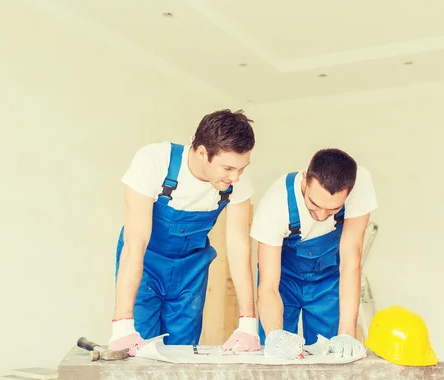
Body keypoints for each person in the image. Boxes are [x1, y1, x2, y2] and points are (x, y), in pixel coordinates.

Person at [108, 109, 261, 356]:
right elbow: (135, 243)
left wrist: (248, 324)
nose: (236, 176)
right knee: (141, 352)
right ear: (202, 152)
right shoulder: (155, 162)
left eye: (242, 168)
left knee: (182, 352)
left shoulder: (237, 181)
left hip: (190, 272)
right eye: (228, 168)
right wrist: (122, 325)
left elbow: (239, 248)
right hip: (147, 266)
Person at [251, 148, 378, 359]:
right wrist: (274, 335)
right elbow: (268, 286)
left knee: (331, 357)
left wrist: (347, 334)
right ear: (305, 179)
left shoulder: (360, 185)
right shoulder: (275, 204)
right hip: (283, 281)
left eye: (333, 210)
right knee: (280, 354)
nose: (321, 216)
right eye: (315, 205)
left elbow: (350, 263)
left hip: (328, 280)